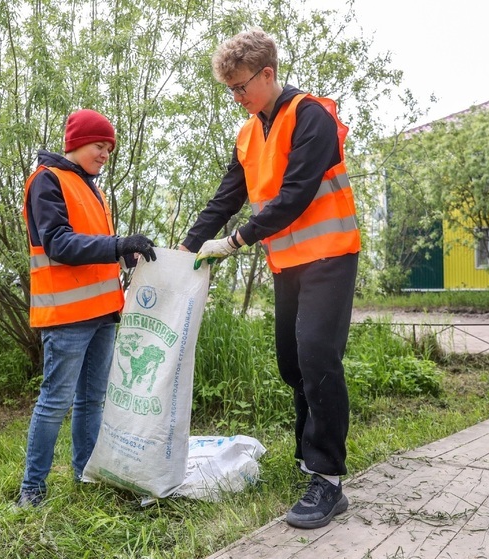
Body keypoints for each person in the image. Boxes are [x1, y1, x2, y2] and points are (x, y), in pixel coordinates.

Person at [180, 28, 360, 529]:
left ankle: (327, 479)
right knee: (291, 364)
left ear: (267, 73)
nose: (237, 97)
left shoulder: (311, 116)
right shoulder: (247, 133)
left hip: (330, 256)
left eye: (241, 86)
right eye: (230, 90)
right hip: (288, 265)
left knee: (317, 357)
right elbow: (227, 197)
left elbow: (298, 192)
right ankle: (309, 457)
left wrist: (236, 241)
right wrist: (189, 245)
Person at [20, 108, 157, 507]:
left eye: (109, 149)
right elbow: (59, 244)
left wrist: (124, 255)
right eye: (100, 145)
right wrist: (117, 245)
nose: (104, 155)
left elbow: (92, 244)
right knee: (55, 402)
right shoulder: (47, 181)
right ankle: (32, 490)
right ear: (78, 143)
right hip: (66, 318)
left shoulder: (88, 185)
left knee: (90, 401)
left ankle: (86, 474)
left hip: (101, 314)